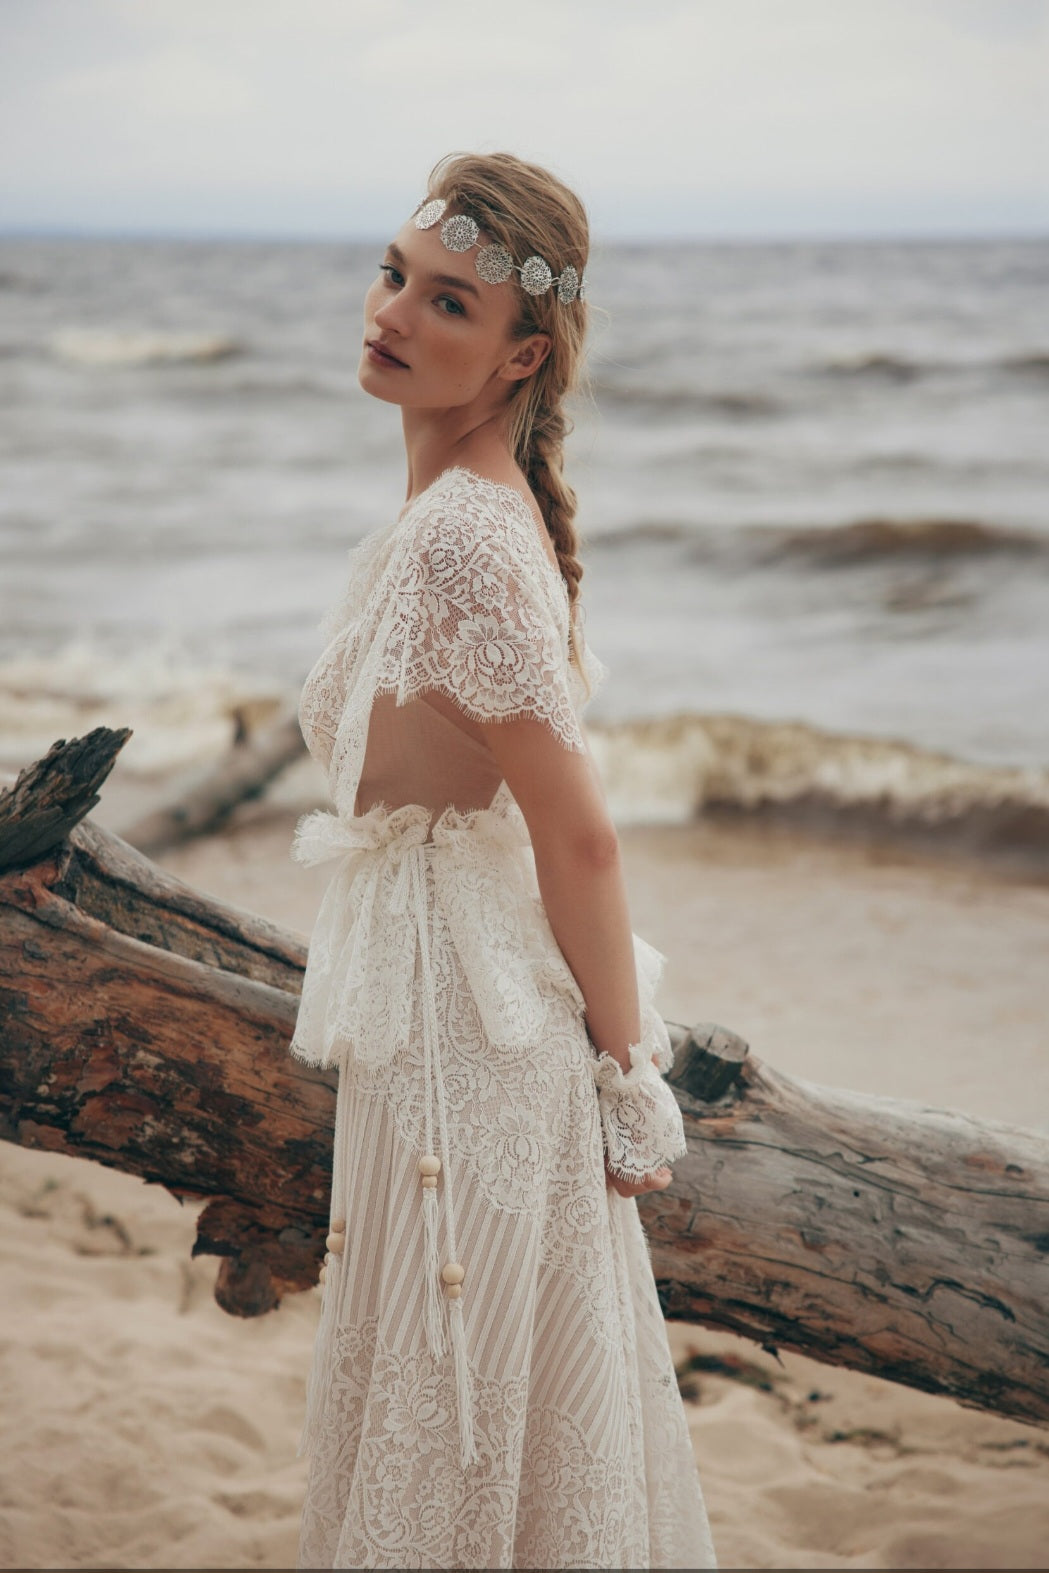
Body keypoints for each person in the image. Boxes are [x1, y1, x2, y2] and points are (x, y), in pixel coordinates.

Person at [287, 151, 718, 1570]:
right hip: (432, 1013)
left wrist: (629, 1076)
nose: (393, 314)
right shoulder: (454, 516)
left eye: (449, 302)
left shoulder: (464, 539)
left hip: (469, 1053)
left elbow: (578, 829)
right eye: (394, 275)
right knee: (457, 1418)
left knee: (455, 1420)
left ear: (522, 353)